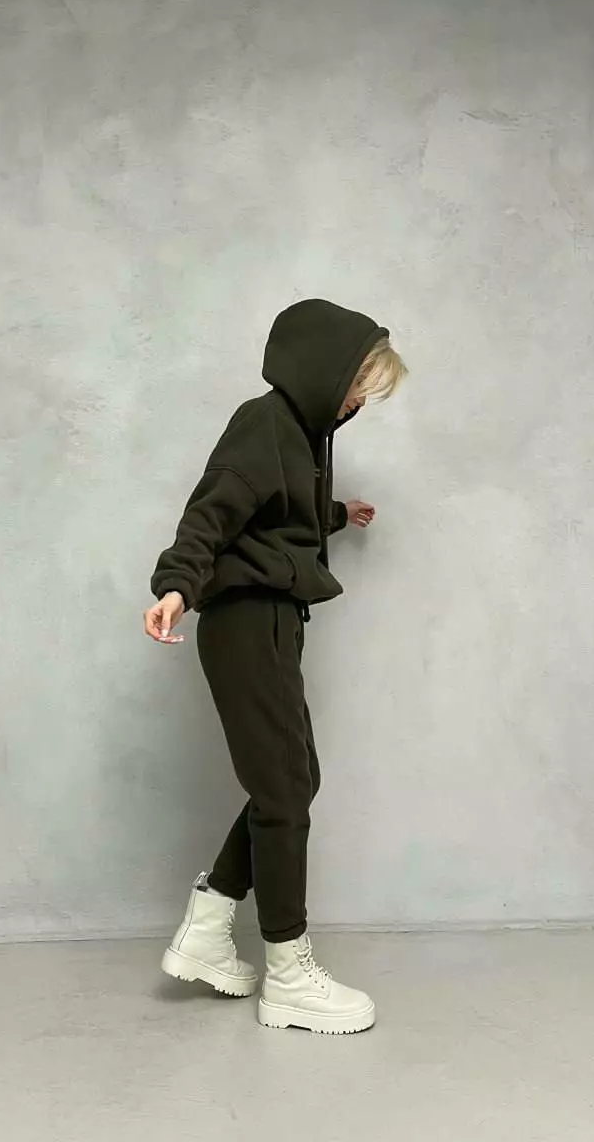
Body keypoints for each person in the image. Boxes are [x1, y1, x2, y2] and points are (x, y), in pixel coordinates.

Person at [143, 299, 407, 1035]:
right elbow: (212, 513)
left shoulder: (302, 438)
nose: (359, 403)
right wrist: (176, 586)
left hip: (274, 622)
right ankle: (288, 973)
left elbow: (283, 514)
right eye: (359, 386)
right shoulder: (262, 424)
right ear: (325, 371)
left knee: (292, 780)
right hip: (245, 619)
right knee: (285, 789)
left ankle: (208, 927)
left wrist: (338, 514)